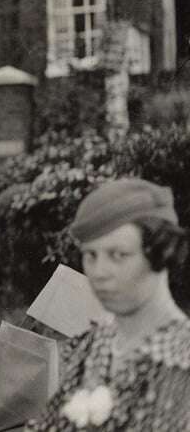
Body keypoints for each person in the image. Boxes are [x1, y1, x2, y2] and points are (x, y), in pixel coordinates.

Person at [25, 178, 190, 431]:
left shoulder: (181, 361)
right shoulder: (97, 341)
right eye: (91, 255)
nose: (99, 272)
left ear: (162, 254)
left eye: (118, 255)